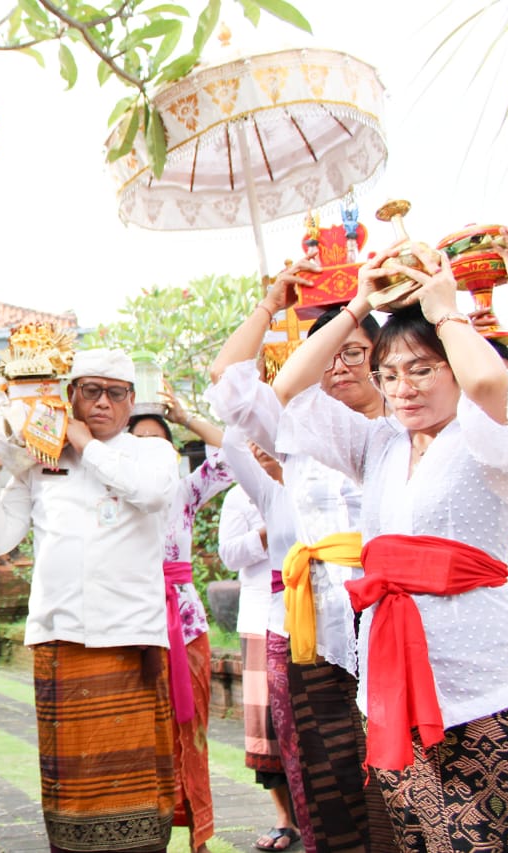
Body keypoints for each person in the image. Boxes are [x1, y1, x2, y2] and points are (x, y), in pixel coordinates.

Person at [272, 240, 508, 852]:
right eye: (388, 374)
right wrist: (358, 303)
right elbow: (290, 388)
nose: (401, 388)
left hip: (484, 676)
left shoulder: (489, 438)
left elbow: (488, 379)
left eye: (422, 368)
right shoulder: (379, 444)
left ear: (453, 366)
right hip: (390, 676)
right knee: (419, 843)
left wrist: (444, 306)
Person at [210, 270, 394, 852]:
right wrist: (269, 304)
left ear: (382, 359)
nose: (340, 367)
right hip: (314, 627)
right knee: (328, 777)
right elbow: (232, 383)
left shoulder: (406, 431)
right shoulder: (303, 432)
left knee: (399, 778)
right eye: (328, 356)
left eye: (356, 353)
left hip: (393, 621)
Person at [0, 348, 179, 853]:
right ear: (71, 395)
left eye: (114, 393)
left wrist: (84, 445)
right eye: (90, 391)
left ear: (131, 402)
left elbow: (148, 494)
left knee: (134, 779)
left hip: (130, 640)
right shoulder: (41, 461)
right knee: (73, 787)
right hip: (61, 636)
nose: (102, 402)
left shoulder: (151, 453)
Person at [128, 389, 232, 853]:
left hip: (186, 625)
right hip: (133, 623)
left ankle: (200, 835)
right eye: (140, 443)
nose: (152, 450)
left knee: (193, 732)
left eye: (160, 443)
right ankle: (146, 833)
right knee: (143, 734)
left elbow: (234, 457)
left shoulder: (185, 492)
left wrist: (187, 418)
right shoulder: (116, 494)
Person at [217, 446, 302, 853]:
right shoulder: (239, 495)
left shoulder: (308, 483)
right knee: (267, 730)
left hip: (314, 617)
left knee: (315, 723)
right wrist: (271, 528)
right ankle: (285, 819)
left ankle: (323, 815)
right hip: (259, 618)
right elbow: (230, 553)